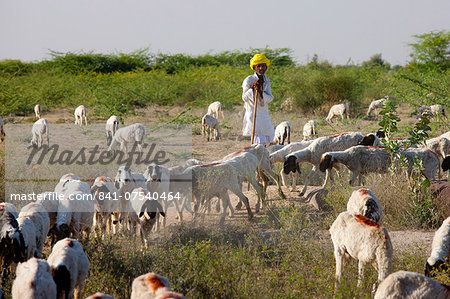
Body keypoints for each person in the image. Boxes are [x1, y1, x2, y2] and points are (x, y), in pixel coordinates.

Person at [242, 54, 274, 145]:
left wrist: (260, 92)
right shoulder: (249, 80)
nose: (261, 68)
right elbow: (244, 97)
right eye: (258, 66)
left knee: (268, 139)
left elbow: (270, 98)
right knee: (256, 142)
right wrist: (252, 88)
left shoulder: (267, 80)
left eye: (263, 66)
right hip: (253, 114)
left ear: (266, 67)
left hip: (264, 114)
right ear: (254, 68)